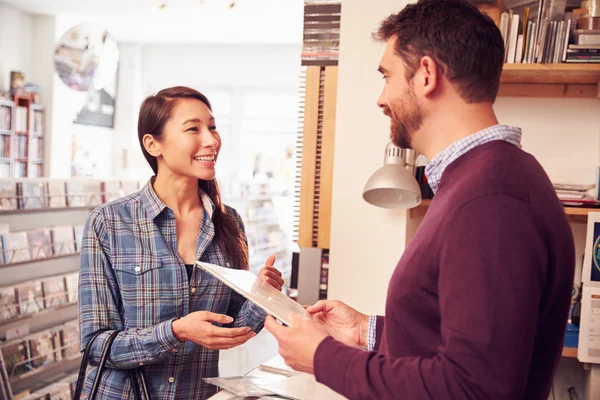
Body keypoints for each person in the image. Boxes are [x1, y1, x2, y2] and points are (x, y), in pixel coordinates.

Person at [265, 0, 575, 399]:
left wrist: (323, 357)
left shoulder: (492, 199)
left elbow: (473, 388)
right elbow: (460, 341)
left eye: (387, 76)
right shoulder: (484, 180)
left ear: (426, 74)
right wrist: (365, 331)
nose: (381, 99)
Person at [79, 86, 284, 399]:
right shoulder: (109, 222)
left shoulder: (228, 223)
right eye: (194, 129)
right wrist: (176, 332)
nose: (211, 140)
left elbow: (229, 330)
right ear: (153, 144)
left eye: (212, 127)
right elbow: (96, 345)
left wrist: (262, 296)